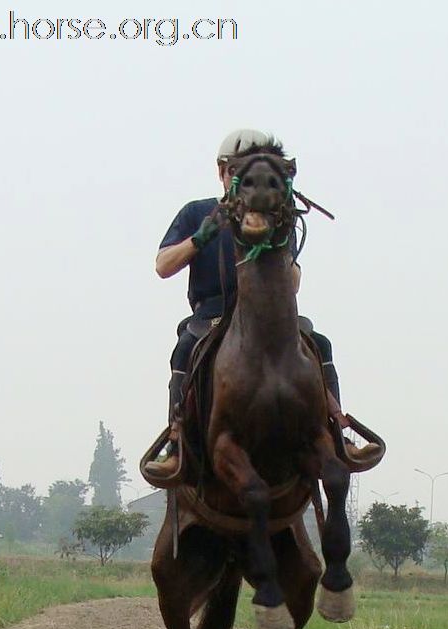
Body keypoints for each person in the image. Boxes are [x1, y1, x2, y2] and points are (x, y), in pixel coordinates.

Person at [144, 129, 352, 477]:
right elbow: (163, 266)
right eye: (233, 173)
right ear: (222, 173)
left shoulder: (276, 215)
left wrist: (278, 237)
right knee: (185, 348)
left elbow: (295, 283)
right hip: (212, 313)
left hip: (269, 315)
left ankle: (339, 430)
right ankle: (177, 441)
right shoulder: (197, 212)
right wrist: (201, 238)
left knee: (320, 344)